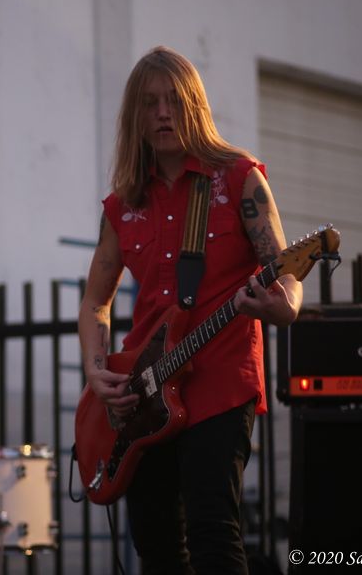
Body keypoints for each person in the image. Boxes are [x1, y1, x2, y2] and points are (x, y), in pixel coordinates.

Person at [78, 47, 302, 574]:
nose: (163, 113)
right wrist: (96, 370)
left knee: (213, 532)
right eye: (150, 103)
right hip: (144, 390)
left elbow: (286, 272)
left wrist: (284, 306)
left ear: (195, 106)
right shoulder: (123, 205)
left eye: (175, 101)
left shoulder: (239, 178)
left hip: (220, 382)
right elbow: (94, 302)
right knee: (155, 544)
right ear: (134, 116)